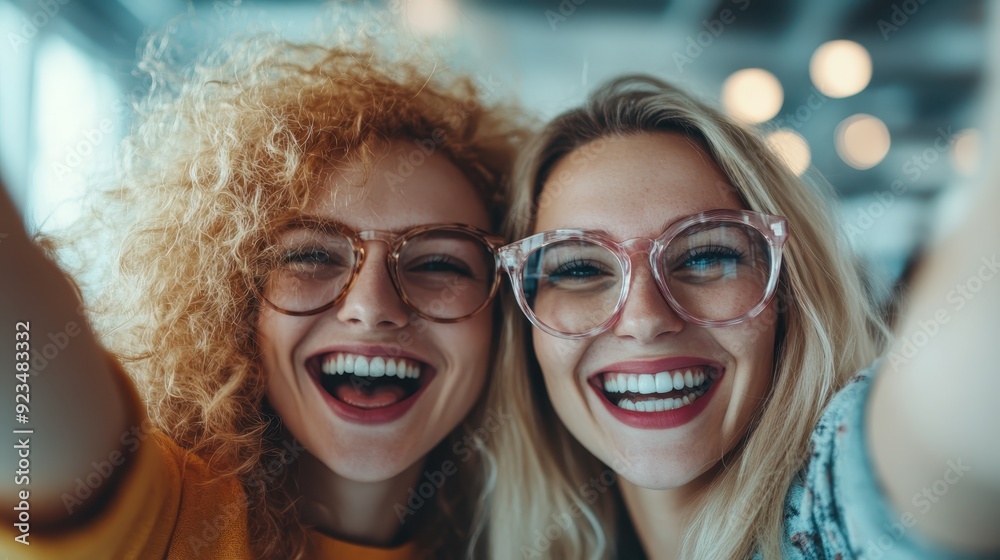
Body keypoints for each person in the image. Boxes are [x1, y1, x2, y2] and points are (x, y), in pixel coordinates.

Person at [0, 30, 526, 559]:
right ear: (236, 301)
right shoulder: (167, 518)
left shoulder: (533, 539)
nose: (371, 307)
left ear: (506, 312)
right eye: (311, 257)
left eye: (438, 263)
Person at [483, 74, 1000, 559]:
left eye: (707, 257)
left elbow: (955, 417)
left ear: (789, 293)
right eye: (579, 268)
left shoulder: (828, 508)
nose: (643, 319)